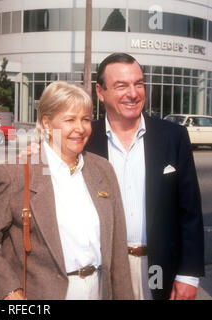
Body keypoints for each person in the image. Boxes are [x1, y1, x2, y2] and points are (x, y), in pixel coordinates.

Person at [0, 82, 133, 300]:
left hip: (98, 291)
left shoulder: (103, 170)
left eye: (85, 119)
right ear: (47, 123)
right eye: (69, 120)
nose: (80, 128)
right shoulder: (16, 173)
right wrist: (8, 289)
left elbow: (117, 253)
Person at [86, 53, 204, 300]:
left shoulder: (173, 137)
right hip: (102, 270)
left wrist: (189, 275)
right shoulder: (84, 139)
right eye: (121, 86)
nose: (133, 93)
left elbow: (190, 212)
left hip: (159, 268)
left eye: (139, 84)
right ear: (100, 92)